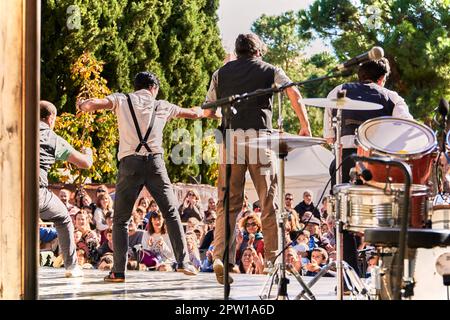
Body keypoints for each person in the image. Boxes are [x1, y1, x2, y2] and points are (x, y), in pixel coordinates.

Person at [203, 33, 311, 285]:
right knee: (269, 201)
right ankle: (273, 260)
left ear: (237, 51)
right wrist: (304, 125)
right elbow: (294, 92)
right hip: (261, 139)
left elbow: (209, 110)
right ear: (258, 51)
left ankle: (221, 256)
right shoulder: (270, 69)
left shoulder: (220, 73)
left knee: (227, 203)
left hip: (230, 140)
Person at [78, 71, 202, 281]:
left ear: (136, 87)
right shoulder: (162, 105)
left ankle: (118, 271)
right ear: (154, 88)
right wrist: (203, 111)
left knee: (120, 220)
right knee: (171, 213)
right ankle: (184, 262)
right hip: (155, 163)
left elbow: (92, 105)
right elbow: (192, 113)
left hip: (129, 164)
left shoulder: (121, 99)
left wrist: (83, 105)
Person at [323, 57, 413, 274]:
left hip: (344, 159)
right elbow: (408, 129)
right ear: (382, 79)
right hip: (377, 163)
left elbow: (328, 138)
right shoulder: (391, 97)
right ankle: (387, 271)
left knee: (344, 217)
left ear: (359, 76)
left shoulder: (338, 91)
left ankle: (348, 273)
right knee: (387, 212)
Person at [39, 100, 93, 278]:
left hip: (8, 190)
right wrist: (88, 153)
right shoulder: (51, 138)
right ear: (51, 118)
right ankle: (71, 267)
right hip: (37, 193)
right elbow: (85, 163)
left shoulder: (16, 130)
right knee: (63, 218)